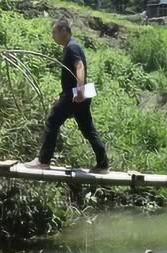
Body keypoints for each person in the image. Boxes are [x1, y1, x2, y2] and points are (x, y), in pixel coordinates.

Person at [27, 19, 109, 173]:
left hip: (75, 94)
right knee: (87, 128)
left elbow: (80, 66)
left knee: (52, 120)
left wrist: (78, 90)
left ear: (64, 30)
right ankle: (103, 164)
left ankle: (43, 160)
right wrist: (64, 95)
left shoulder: (72, 47)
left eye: (54, 32)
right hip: (80, 93)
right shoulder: (70, 47)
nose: (53, 36)